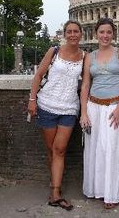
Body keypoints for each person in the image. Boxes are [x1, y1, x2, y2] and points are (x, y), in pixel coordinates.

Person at [28, 20, 85, 211]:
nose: (72, 35)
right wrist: (32, 100)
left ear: (81, 34)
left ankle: (56, 193)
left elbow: (85, 84)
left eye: (76, 31)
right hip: (47, 105)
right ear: (64, 34)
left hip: (69, 108)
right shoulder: (54, 51)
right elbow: (38, 76)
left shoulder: (85, 57)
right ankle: (54, 186)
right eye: (69, 31)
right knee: (51, 149)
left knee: (60, 149)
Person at [80, 18, 119, 209]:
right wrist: (83, 112)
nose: (105, 36)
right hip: (93, 106)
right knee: (94, 150)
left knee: (113, 149)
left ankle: (112, 194)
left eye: (109, 32)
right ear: (96, 34)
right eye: (102, 32)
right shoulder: (90, 56)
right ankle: (96, 190)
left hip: (113, 107)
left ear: (113, 34)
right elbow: (85, 84)